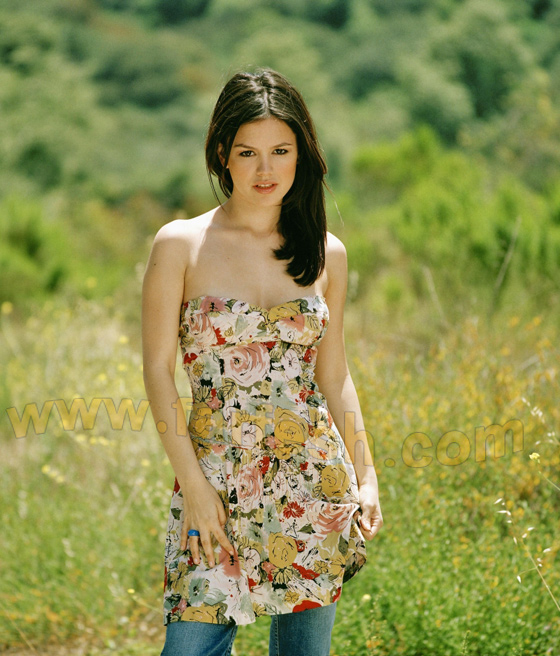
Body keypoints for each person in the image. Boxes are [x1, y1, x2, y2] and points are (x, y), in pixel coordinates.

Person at [142, 68, 383, 656]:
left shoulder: (326, 252)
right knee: (188, 648)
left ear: (302, 155)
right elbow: (156, 370)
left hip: (312, 481)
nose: (265, 169)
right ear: (223, 153)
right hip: (215, 482)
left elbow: (334, 374)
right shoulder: (180, 244)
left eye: (281, 151)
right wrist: (194, 487)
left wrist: (366, 474)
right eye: (248, 152)